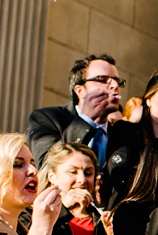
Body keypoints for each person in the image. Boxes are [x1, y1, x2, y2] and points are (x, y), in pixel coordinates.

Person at [26, 54, 143, 204]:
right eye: (102, 80)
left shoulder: (127, 134)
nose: (114, 86)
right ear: (80, 90)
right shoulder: (47, 118)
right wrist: (85, 120)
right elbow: (46, 166)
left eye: (117, 81)